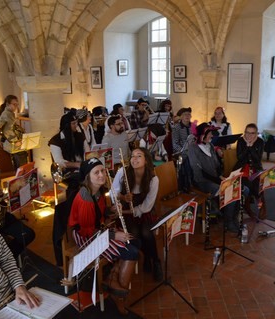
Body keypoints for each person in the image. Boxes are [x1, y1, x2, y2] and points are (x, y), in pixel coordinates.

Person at [68, 158, 139, 315]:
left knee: (135, 242)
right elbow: (87, 231)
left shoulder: (98, 190)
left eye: (102, 171)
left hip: (98, 229)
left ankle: (112, 279)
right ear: (88, 176)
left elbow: (100, 212)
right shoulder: (85, 198)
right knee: (131, 251)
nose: (102, 175)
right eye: (96, 172)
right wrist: (114, 235)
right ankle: (119, 297)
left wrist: (111, 210)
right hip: (85, 236)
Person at [113, 148, 163, 281]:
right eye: (133, 156)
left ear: (146, 160)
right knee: (134, 233)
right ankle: (147, 256)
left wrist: (131, 211)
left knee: (146, 232)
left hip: (144, 212)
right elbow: (113, 192)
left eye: (139, 156)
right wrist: (123, 198)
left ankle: (155, 261)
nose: (134, 159)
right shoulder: (122, 172)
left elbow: (146, 206)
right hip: (126, 212)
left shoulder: (153, 179)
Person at [188, 123, 239, 231]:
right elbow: (199, 172)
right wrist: (219, 180)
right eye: (210, 133)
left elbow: (216, 165)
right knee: (230, 190)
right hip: (202, 182)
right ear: (203, 135)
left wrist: (221, 176)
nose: (212, 135)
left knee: (242, 189)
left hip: (215, 180)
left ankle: (232, 217)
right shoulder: (193, 148)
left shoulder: (210, 146)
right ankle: (228, 221)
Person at [233, 123, 266, 219]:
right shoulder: (240, 141)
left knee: (259, 186)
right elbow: (240, 158)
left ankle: (262, 207)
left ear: (256, 134)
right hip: (242, 168)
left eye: (252, 133)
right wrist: (248, 146)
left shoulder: (260, 142)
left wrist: (250, 147)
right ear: (244, 133)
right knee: (246, 184)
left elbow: (257, 159)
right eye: (247, 133)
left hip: (256, 167)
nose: (249, 135)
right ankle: (247, 207)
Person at [48, 111, 84, 192]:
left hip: (81, 167)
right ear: (67, 125)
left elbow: (87, 152)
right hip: (64, 172)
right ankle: (74, 202)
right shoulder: (55, 141)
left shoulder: (79, 136)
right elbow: (59, 162)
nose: (76, 126)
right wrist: (77, 165)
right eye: (73, 123)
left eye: (76, 123)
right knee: (78, 180)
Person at [0, 95, 27, 169]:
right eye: (14, 104)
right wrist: (15, 141)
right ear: (7, 104)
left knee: (22, 153)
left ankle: (20, 172)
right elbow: (7, 130)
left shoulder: (9, 113)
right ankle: (21, 174)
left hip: (8, 141)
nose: (16, 106)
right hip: (9, 143)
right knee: (21, 154)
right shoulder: (7, 114)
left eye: (17, 104)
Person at [171, 107, 195, 191]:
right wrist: (183, 150)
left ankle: (195, 181)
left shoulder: (193, 126)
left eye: (189, 114)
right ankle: (187, 184)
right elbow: (175, 144)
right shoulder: (176, 128)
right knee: (186, 159)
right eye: (185, 114)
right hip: (179, 153)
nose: (187, 116)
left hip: (191, 150)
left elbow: (196, 139)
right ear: (181, 117)